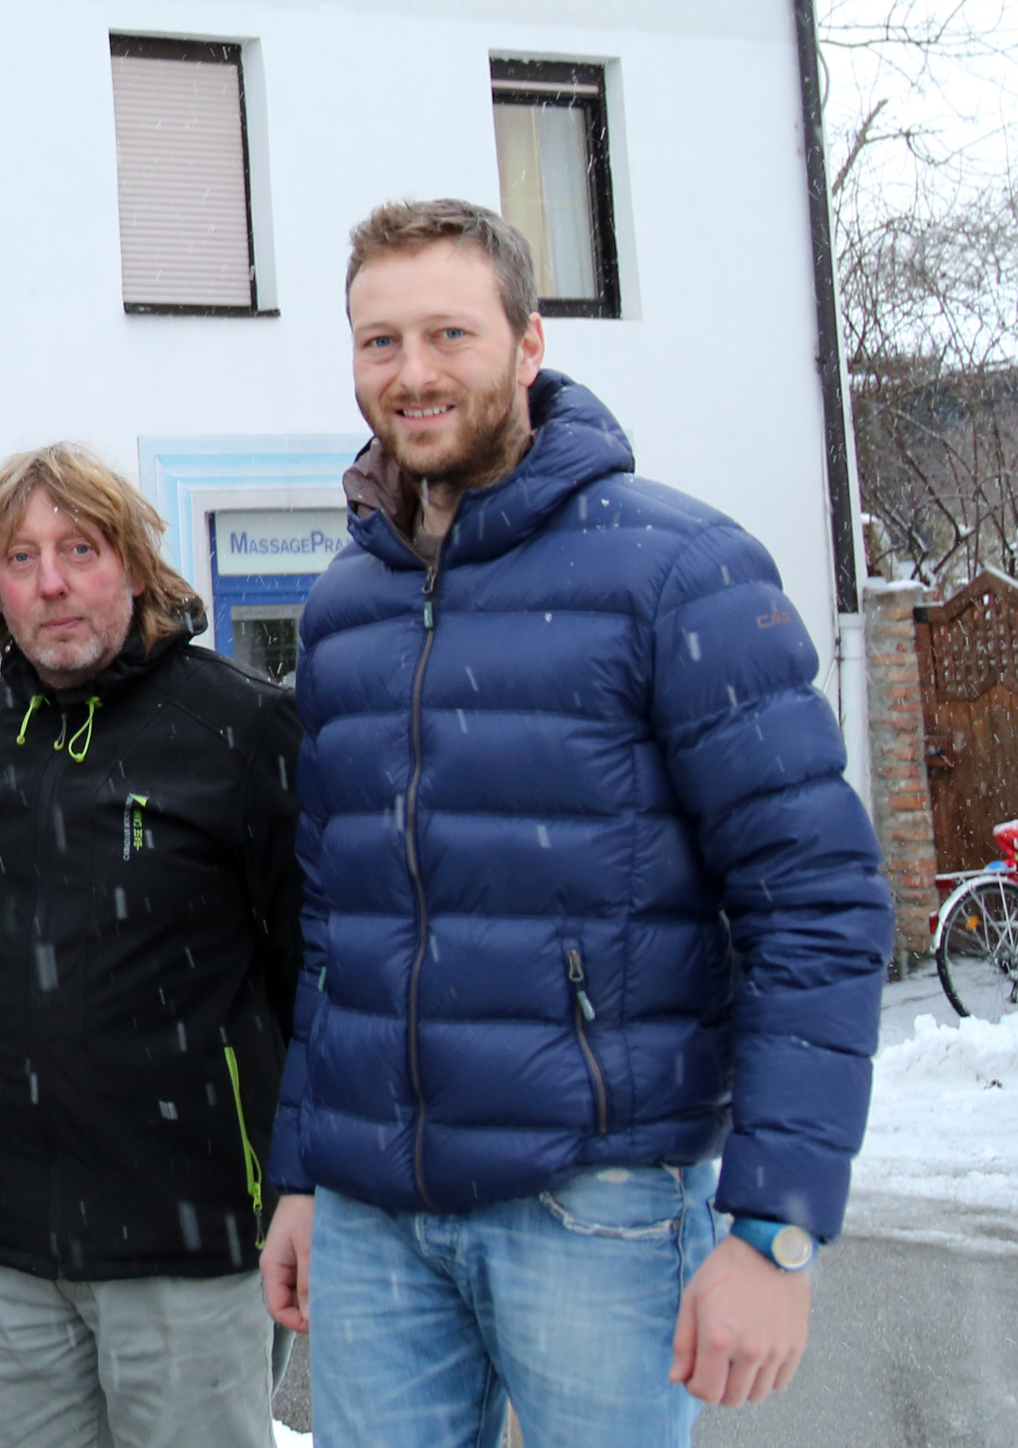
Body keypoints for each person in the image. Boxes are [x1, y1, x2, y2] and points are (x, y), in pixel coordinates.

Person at [259, 201, 894, 1444]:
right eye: (377, 341)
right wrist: (302, 1167)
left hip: (596, 1204)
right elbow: (336, 923)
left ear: (528, 341)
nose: (413, 371)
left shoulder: (675, 569)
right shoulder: (345, 605)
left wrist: (774, 1221)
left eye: (448, 330)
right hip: (374, 1216)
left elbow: (813, 901)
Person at [0, 443, 301, 1448]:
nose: (50, 580)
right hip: (7, 1235)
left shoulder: (242, 728)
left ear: (133, 564)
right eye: (18, 557)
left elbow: (307, 976)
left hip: (190, 1234)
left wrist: (301, 1176)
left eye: (79, 548)